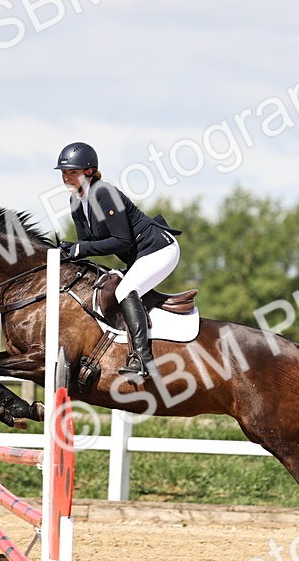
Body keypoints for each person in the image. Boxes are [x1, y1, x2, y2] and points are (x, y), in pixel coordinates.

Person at [55, 141, 181, 383]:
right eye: (64, 173)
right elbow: (88, 243)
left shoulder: (104, 193)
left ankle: (143, 360)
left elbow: (121, 241)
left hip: (160, 249)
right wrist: (70, 250)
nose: (66, 177)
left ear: (89, 172)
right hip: (140, 256)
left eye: (72, 172)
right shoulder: (76, 202)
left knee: (125, 290)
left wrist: (80, 248)